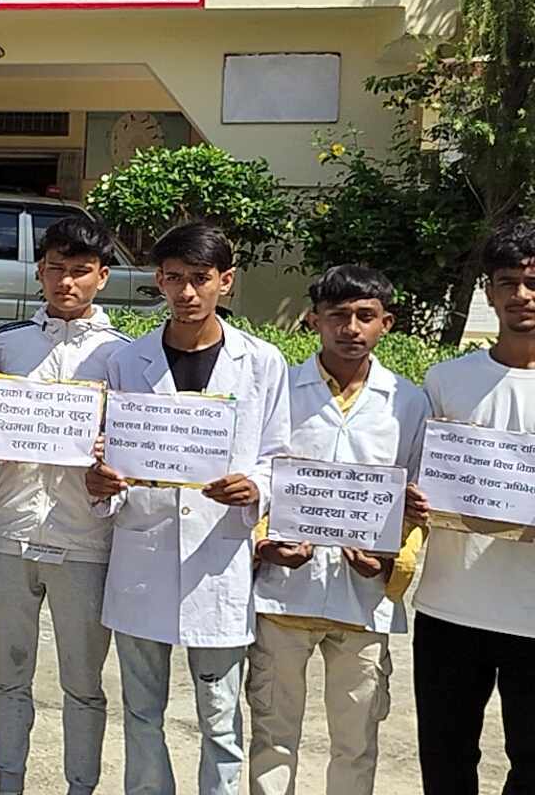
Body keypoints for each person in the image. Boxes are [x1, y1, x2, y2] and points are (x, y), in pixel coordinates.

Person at [86, 222, 290, 795]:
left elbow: (278, 455)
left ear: (226, 280)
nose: (187, 292)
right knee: (141, 711)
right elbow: (111, 454)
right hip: (143, 553)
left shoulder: (262, 362)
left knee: (220, 717)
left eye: (200, 278)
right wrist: (101, 482)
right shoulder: (127, 361)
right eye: (174, 278)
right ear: (158, 280)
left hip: (217, 558)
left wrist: (255, 487)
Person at [247, 266, 427, 795]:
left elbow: (418, 503)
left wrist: (391, 563)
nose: (351, 328)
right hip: (284, 597)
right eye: (338, 316)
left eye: (365, 316)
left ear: (386, 323)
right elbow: (258, 476)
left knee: (356, 743)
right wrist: (264, 545)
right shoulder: (281, 391)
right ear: (314, 321)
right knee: (273, 738)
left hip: (363, 598)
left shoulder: (408, 402)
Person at [0, 215, 129, 795]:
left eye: (81, 271)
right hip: (10, 528)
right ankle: (8, 783)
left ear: (102, 276)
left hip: (85, 536)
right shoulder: (8, 343)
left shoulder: (124, 355)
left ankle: (80, 786)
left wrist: (110, 457)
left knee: (84, 682)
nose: (67, 282)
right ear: (40, 271)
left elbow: (138, 444)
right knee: (9, 671)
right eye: (56, 269)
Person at [409, 220, 535, 793]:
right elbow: (416, 475)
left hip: (531, 613)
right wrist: (411, 498)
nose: (521, 295)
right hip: (451, 605)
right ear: (488, 290)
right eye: (508, 282)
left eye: (532, 282)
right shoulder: (446, 381)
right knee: (445, 760)